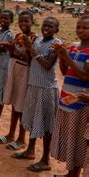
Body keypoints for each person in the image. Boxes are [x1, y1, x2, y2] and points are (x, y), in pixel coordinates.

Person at [13, 17, 61, 173]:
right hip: (34, 85)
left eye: (50, 26)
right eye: (45, 25)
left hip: (46, 89)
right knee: (33, 120)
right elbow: (30, 61)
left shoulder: (56, 44)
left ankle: (46, 160)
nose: (46, 28)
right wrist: (27, 48)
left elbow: (48, 66)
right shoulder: (38, 40)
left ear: (56, 30)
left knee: (46, 124)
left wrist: (31, 49)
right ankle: (30, 150)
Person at [50, 15, 89, 177]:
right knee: (68, 138)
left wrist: (66, 57)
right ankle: (71, 171)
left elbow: (85, 77)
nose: (81, 30)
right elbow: (66, 72)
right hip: (66, 97)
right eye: (78, 27)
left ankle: (75, 173)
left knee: (78, 140)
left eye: (85, 28)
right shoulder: (74, 47)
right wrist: (61, 57)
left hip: (80, 103)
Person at [0, 10, 35, 150]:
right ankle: (11, 134)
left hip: (25, 72)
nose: (23, 24)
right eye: (21, 21)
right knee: (14, 105)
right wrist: (10, 47)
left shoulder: (33, 38)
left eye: (26, 21)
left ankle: (21, 138)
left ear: (32, 22)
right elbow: (13, 54)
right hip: (14, 70)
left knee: (22, 107)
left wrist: (22, 46)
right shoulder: (18, 35)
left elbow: (29, 59)